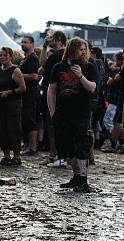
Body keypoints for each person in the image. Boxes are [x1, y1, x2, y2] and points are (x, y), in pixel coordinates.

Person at [47, 37, 97, 193]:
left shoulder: (89, 66)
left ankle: (83, 179)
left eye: (84, 49)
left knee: (81, 144)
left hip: (81, 112)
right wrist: (52, 112)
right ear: (72, 49)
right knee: (66, 145)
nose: (83, 52)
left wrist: (81, 76)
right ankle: (76, 176)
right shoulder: (58, 67)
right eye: (80, 49)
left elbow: (92, 88)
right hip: (63, 112)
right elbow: (51, 90)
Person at [0, 47, 26, 165]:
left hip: (13, 104)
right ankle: (6, 155)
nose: (2, 57)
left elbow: (22, 88)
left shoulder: (15, 70)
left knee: (13, 129)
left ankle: (16, 156)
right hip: (0, 104)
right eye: (0, 55)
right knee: (2, 129)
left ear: (10, 56)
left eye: (5, 55)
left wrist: (10, 92)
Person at [39, 30, 67, 167]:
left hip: (53, 94)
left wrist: (44, 47)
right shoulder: (64, 55)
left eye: (52, 39)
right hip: (61, 94)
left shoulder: (56, 55)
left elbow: (41, 68)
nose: (50, 41)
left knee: (52, 125)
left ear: (58, 40)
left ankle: (54, 154)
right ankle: (58, 155)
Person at [19, 36, 41, 156]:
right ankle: (27, 145)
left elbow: (34, 76)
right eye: (22, 42)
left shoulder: (32, 58)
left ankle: (33, 147)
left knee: (31, 120)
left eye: (26, 42)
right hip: (25, 94)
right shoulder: (25, 58)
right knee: (26, 120)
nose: (23, 44)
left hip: (31, 94)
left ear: (32, 44)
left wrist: (19, 75)